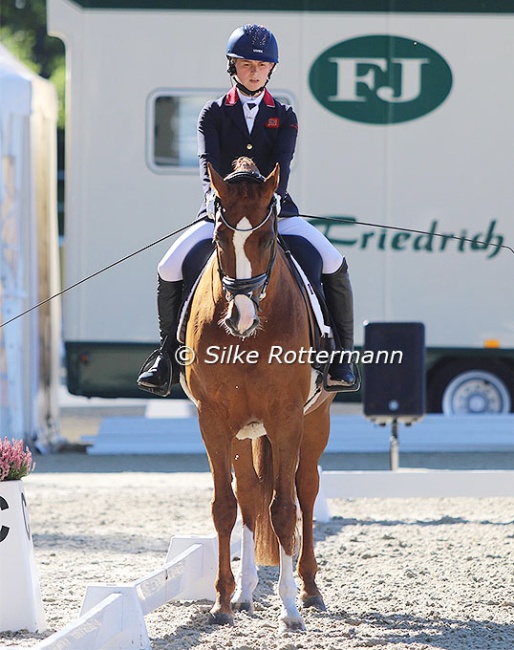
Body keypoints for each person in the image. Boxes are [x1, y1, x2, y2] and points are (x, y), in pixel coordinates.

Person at [137, 24, 355, 395]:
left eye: (261, 65)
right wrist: (215, 200)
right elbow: (209, 164)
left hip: (275, 213)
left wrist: (271, 202)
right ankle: (166, 355)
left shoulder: (284, 115)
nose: (254, 71)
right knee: (168, 266)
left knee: (334, 262)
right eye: (246, 64)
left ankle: (341, 357)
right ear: (232, 66)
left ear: (271, 69)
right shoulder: (213, 113)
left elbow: (281, 167)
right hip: (223, 212)